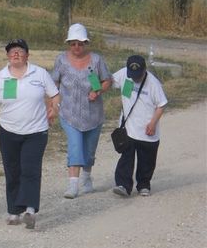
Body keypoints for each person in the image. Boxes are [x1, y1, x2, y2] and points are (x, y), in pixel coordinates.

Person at [0, 39, 59, 229]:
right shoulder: (0, 78)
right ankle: (13, 211)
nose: (16, 54)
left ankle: (30, 210)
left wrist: (54, 108)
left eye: (20, 51)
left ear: (27, 55)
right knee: (12, 171)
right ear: (7, 56)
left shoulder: (40, 73)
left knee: (30, 169)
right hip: (8, 131)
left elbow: (54, 94)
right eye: (12, 52)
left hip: (36, 131)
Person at [51, 23, 112, 199]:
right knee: (75, 145)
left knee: (89, 149)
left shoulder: (96, 60)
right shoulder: (61, 60)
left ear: (86, 43)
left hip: (93, 113)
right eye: (73, 43)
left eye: (80, 43)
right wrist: (52, 105)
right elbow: (54, 83)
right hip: (69, 113)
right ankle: (72, 185)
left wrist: (98, 90)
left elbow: (107, 80)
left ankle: (86, 177)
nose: (76, 47)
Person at [111, 55, 167, 197]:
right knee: (126, 158)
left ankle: (143, 185)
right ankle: (123, 185)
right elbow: (109, 81)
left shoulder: (153, 83)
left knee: (147, 160)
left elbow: (161, 105)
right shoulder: (124, 74)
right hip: (129, 128)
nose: (135, 78)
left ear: (144, 70)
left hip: (148, 129)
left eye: (138, 75)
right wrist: (94, 79)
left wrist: (153, 123)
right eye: (132, 75)